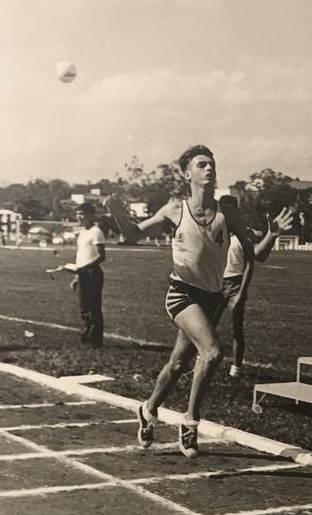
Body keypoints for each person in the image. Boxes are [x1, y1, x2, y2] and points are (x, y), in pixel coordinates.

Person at [105, 144, 252, 458]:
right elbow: (132, 233)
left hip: (211, 299)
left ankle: (148, 410)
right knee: (212, 353)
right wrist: (119, 215)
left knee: (177, 364)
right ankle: (190, 422)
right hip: (182, 295)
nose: (209, 169)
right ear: (188, 174)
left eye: (212, 164)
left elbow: (256, 252)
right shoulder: (175, 208)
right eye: (202, 165)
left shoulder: (227, 210)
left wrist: (274, 233)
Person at [213, 196, 294, 378]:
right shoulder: (213, 231)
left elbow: (256, 257)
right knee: (206, 327)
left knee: (236, 328)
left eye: (231, 210)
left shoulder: (244, 233)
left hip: (235, 284)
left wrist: (271, 236)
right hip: (214, 284)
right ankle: (200, 362)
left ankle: (236, 369)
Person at [46, 202, 106, 347]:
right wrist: (77, 276)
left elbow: (101, 256)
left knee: (92, 306)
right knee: (84, 306)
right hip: (83, 273)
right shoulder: (83, 233)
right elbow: (81, 257)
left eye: (82, 214)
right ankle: (89, 333)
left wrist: (83, 269)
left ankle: (94, 339)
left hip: (92, 273)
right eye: (78, 214)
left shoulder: (96, 232)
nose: (79, 217)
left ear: (91, 215)